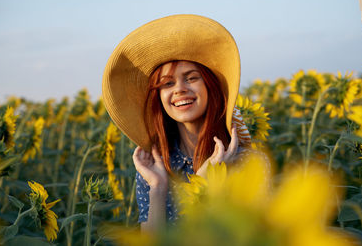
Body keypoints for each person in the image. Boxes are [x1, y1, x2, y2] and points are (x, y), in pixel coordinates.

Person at [102, 14, 252, 232]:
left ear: (211, 86)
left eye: (191, 78)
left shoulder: (247, 162)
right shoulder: (158, 166)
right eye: (167, 83)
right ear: (159, 97)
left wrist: (208, 182)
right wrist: (158, 189)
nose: (179, 89)